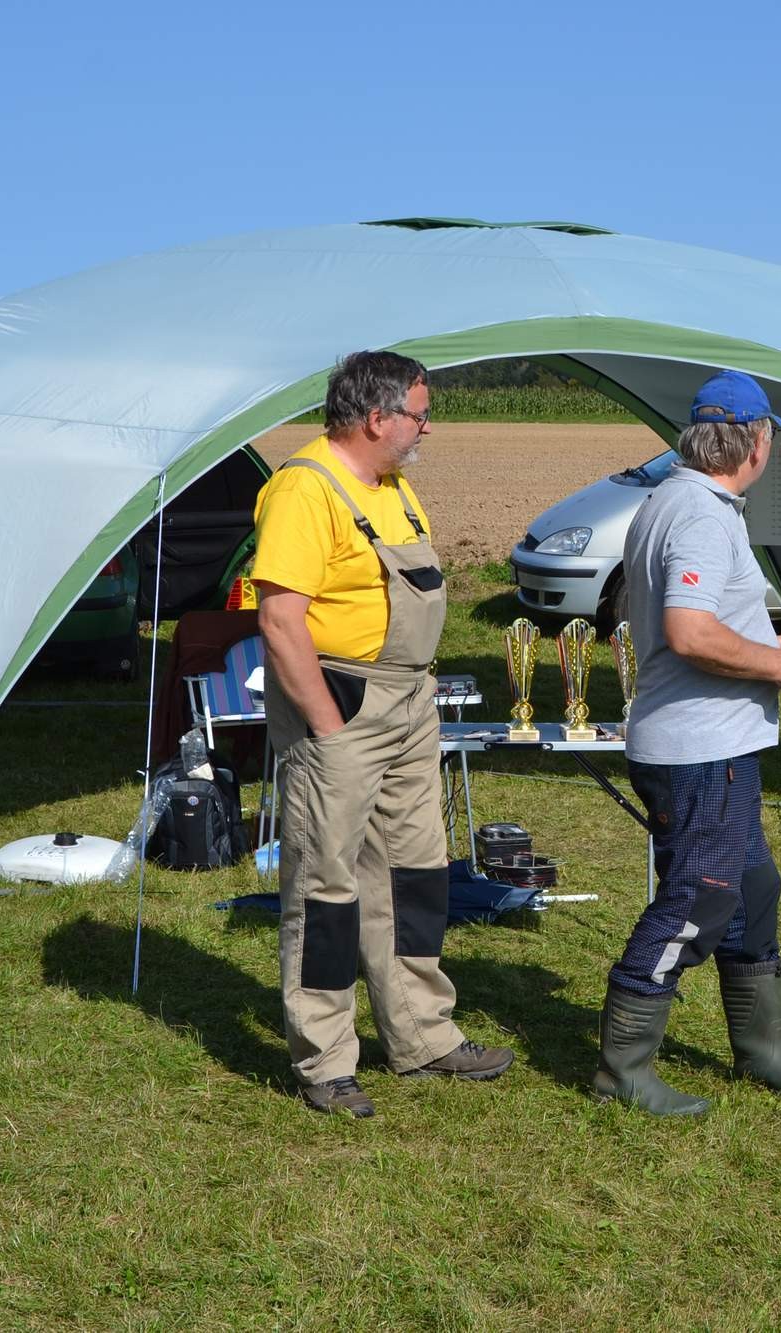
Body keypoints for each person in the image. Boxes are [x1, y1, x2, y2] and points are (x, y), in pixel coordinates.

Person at [253, 350, 513, 1119]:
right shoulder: (304, 489)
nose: (427, 428)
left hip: (409, 704)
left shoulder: (394, 487)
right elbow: (280, 621)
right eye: (419, 415)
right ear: (376, 417)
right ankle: (326, 1060)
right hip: (342, 705)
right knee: (326, 888)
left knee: (415, 874)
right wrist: (328, 727)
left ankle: (422, 1035)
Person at [593, 369, 781, 1116]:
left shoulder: (675, 499)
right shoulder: (699, 513)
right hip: (698, 751)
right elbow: (690, 632)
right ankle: (623, 1067)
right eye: (770, 437)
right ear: (755, 441)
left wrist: (763, 639)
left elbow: (697, 616)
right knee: (700, 899)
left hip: (711, 745)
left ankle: (760, 1052)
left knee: (753, 889)